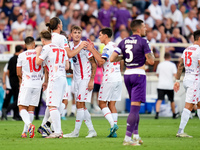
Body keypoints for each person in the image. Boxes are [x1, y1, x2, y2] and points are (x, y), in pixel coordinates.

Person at [110, 19, 154, 146]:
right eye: (144, 27)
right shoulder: (143, 41)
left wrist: (125, 56)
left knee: (136, 106)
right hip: (138, 74)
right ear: (139, 29)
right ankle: (127, 139)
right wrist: (148, 52)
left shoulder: (123, 41)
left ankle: (136, 135)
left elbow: (113, 58)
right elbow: (151, 61)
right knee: (134, 109)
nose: (146, 29)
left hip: (127, 75)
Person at [86, 27, 122, 137]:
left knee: (102, 103)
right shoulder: (115, 45)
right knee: (112, 104)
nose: (99, 37)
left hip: (109, 77)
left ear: (106, 36)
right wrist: (93, 48)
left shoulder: (106, 47)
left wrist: (91, 50)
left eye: (100, 35)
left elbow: (101, 61)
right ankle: (114, 132)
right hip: (118, 77)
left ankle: (112, 125)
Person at [63, 25, 97, 138]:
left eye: (79, 32)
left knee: (80, 105)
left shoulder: (85, 46)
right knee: (81, 105)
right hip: (76, 79)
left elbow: (93, 63)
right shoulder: (71, 46)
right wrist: (70, 71)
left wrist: (91, 80)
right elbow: (74, 60)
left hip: (85, 78)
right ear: (71, 34)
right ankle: (92, 130)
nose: (77, 34)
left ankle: (76, 132)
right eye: (75, 32)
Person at [36, 30, 68, 138]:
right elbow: (67, 66)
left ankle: (57, 131)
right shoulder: (62, 49)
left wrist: (38, 52)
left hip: (55, 78)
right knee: (56, 105)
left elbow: (38, 62)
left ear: (43, 40)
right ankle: (49, 128)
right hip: (63, 78)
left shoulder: (46, 48)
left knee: (51, 105)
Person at [174, 30, 200, 138]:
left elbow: (180, 65)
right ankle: (180, 131)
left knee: (198, 104)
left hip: (187, 78)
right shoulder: (199, 50)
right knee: (189, 105)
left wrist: (177, 81)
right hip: (195, 80)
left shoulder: (187, 49)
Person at [17, 36, 43, 138]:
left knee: (21, 107)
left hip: (27, 83)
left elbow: (18, 72)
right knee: (31, 109)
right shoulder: (39, 54)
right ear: (33, 44)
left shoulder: (22, 55)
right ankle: (25, 132)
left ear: (24, 45)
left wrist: (23, 79)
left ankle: (29, 125)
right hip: (38, 84)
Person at [155, 52, 178, 119]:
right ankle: (174, 114)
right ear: (170, 57)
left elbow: (157, 74)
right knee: (171, 100)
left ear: (164, 57)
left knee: (159, 100)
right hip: (169, 85)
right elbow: (175, 75)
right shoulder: (172, 65)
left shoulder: (160, 65)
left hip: (161, 85)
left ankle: (157, 114)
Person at [7, 45, 24, 120]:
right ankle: (7, 109)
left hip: (11, 80)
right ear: (20, 51)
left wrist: (10, 79)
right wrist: (20, 82)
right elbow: (19, 72)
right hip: (17, 80)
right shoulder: (20, 58)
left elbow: (8, 71)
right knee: (18, 99)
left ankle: (15, 115)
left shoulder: (11, 59)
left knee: (15, 97)